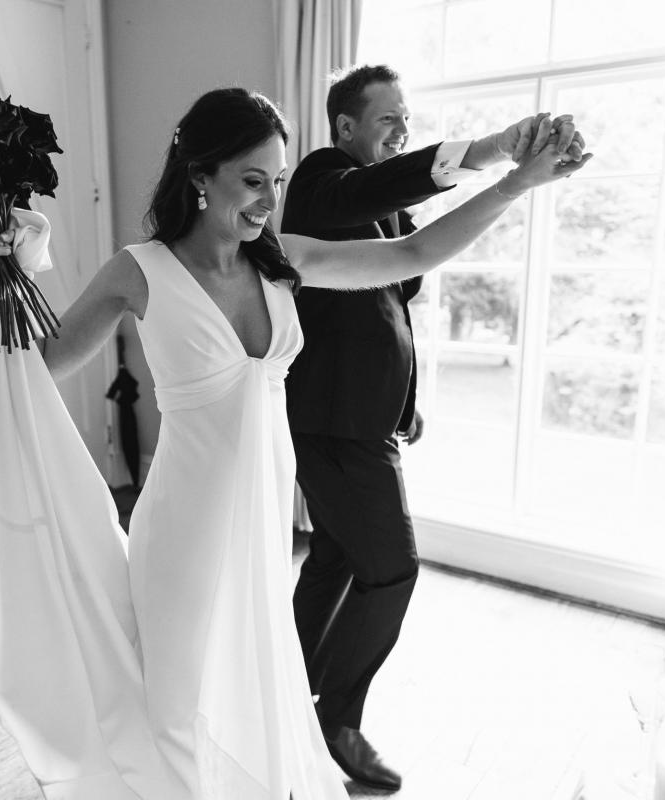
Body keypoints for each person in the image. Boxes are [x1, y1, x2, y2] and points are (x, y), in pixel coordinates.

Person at [0, 88, 588, 798]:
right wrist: (14, 266)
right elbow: (39, 362)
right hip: (186, 535)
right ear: (199, 175)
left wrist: (516, 183)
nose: (268, 200)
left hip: (260, 532)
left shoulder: (283, 262)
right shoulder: (140, 271)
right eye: (252, 180)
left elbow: (414, 250)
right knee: (178, 711)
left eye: (278, 181)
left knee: (245, 697)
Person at [282, 65, 586, 790]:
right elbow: (382, 204)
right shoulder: (326, 179)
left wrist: (403, 396)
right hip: (334, 421)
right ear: (346, 126)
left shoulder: (373, 196)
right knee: (392, 570)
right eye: (387, 119)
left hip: (360, 414)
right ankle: (335, 721)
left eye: (406, 117)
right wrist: (493, 155)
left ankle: (285, 687)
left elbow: (393, 287)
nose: (401, 130)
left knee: (333, 557)